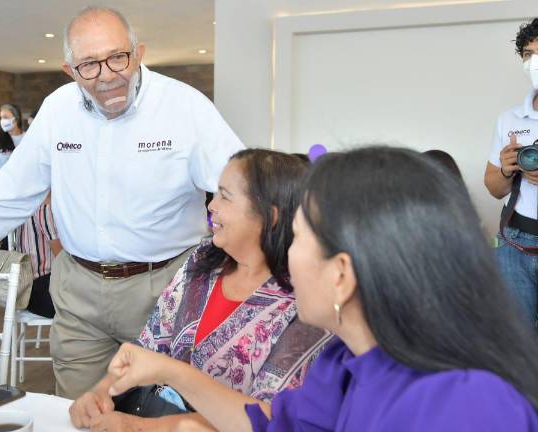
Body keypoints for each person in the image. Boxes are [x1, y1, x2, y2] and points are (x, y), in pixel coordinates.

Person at [105, 147, 538, 432]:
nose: (286, 256)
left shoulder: (466, 405)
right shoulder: (350, 359)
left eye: (298, 239)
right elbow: (274, 425)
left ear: (341, 275)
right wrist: (171, 378)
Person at [0, 6, 244, 398]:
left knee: (169, 409)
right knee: (78, 411)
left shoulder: (185, 107)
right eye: (89, 64)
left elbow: (240, 190)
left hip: (168, 288)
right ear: (69, 69)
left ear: (138, 52)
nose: (106, 76)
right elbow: (11, 193)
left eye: (117, 58)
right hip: (79, 290)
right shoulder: (57, 109)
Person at [69, 150, 330, 430]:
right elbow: (149, 345)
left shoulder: (303, 305)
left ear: (271, 215)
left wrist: (138, 427)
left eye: (225, 196)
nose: (211, 206)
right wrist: (101, 392)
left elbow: (267, 419)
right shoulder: (204, 260)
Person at [484, 17, 538, 326]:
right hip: (515, 242)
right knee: (517, 343)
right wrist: (506, 170)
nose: (534, 62)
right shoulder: (510, 119)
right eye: (528, 55)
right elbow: (493, 187)